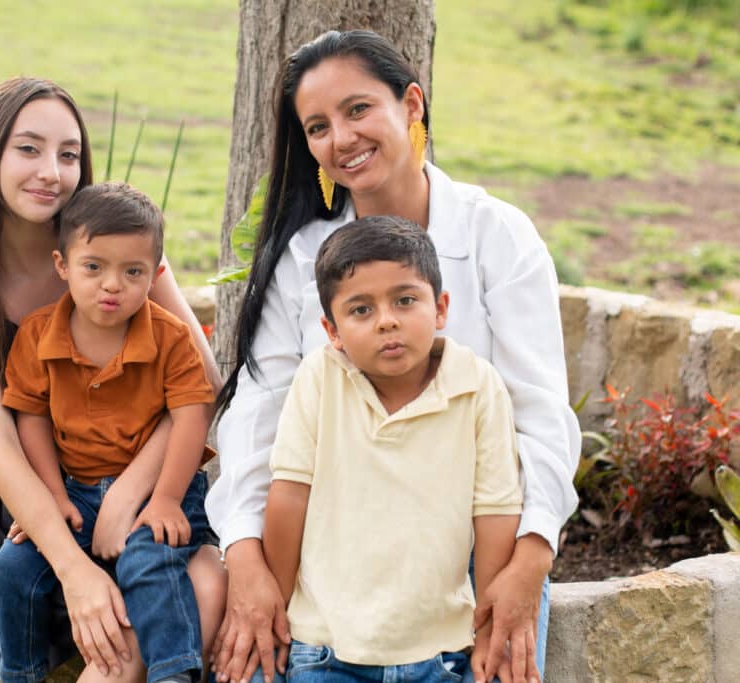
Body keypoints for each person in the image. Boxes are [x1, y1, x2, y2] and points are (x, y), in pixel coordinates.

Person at [206, 30, 580, 683]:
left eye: (357, 110)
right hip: (333, 554)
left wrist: (531, 558)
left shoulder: (497, 235)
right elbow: (258, 417)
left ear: (411, 104)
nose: (340, 138)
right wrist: (246, 559)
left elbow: (542, 417)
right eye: (317, 126)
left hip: (469, 549)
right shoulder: (302, 258)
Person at [0, 77, 225, 681]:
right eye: (27, 149)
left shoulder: (115, 249)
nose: (51, 171)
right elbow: (1, 448)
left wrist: (134, 494)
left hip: (141, 490)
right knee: (88, 614)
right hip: (39, 503)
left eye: (69, 153)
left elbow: (200, 386)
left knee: (207, 577)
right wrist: (73, 569)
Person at [263, 216, 522, 683]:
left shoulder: (477, 386)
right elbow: (289, 494)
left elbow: (496, 512)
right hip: (326, 650)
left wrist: (487, 631)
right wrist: (274, 608)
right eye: (361, 310)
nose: (387, 321)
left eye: (405, 300)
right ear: (332, 329)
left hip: (441, 651)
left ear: (440, 309)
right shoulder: (321, 379)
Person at [0, 181, 220, 683]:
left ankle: (173, 670)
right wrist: (51, 496)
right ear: (63, 266)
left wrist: (165, 500)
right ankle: (20, 674)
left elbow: (190, 416)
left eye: (132, 271)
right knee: (11, 567)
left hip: (160, 492)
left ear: (154, 274)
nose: (112, 285)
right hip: (75, 487)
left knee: (148, 558)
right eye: (94, 267)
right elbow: (30, 418)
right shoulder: (37, 335)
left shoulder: (170, 337)